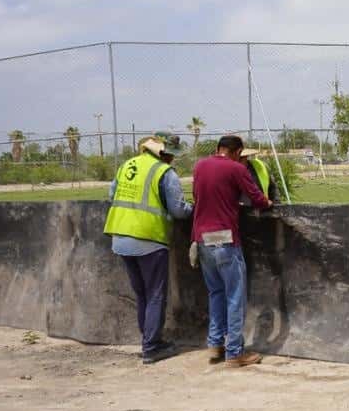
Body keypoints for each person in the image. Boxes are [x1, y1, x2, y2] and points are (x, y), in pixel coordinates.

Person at [104, 134, 192, 364]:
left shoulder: (127, 164)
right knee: (155, 294)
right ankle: (152, 347)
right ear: (164, 153)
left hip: (121, 237)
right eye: (172, 154)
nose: (173, 158)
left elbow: (111, 194)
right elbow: (178, 210)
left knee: (142, 293)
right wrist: (196, 208)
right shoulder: (164, 172)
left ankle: (148, 340)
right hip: (148, 238)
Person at [192, 135, 272, 367]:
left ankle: (215, 344)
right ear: (238, 152)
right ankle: (235, 352)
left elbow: (198, 200)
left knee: (215, 293)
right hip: (225, 238)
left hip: (203, 239)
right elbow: (256, 198)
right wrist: (266, 203)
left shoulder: (200, 166)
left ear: (218, 149)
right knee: (235, 296)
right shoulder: (236, 168)